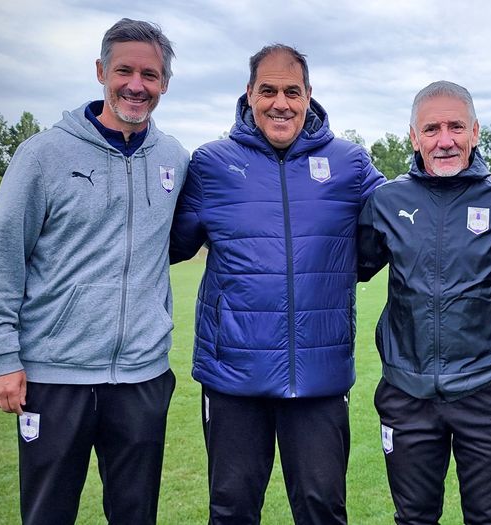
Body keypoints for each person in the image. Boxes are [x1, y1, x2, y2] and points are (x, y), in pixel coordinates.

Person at [0, 19, 187, 525]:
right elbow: (4, 257)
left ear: (164, 84)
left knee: (136, 516)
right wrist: (2, 357)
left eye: (150, 75)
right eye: (125, 71)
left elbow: (171, 242)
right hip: (54, 376)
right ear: (100, 72)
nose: (137, 85)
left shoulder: (175, 158)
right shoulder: (43, 155)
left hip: (142, 375)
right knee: (48, 515)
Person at [169, 44, 386, 524]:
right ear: (249, 95)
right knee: (231, 511)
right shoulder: (211, 163)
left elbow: (407, 212)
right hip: (233, 378)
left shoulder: (349, 163)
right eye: (268, 90)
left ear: (309, 96)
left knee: (323, 511)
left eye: (292, 91)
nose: (280, 103)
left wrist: (488, 192)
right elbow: (164, 243)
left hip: (320, 376)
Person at [357, 81, 491, 524]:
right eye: (431, 129)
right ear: (414, 137)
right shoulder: (387, 202)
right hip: (406, 393)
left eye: (455, 127)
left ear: (475, 131)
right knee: (413, 518)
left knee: (487, 520)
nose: (444, 139)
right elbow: (350, 266)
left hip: (489, 391)